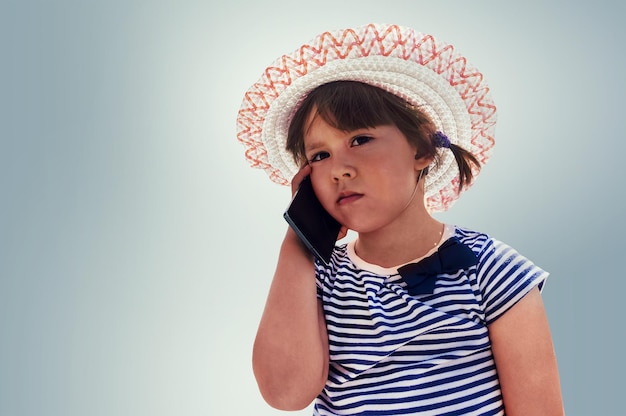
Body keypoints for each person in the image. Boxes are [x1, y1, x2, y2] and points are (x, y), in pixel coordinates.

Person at [236, 23, 563, 415]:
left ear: (423, 148)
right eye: (319, 156)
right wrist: (299, 239)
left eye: (359, 140)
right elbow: (285, 393)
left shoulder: (489, 267)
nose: (339, 168)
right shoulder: (314, 279)